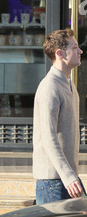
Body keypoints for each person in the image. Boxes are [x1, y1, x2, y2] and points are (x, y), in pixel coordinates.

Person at [33, 28, 85, 205]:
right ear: (60, 53)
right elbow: (49, 138)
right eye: (75, 47)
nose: (80, 51)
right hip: (53, 182)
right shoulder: (50, 87)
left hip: (67, 179)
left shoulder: (68, 84)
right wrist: (68, 176)